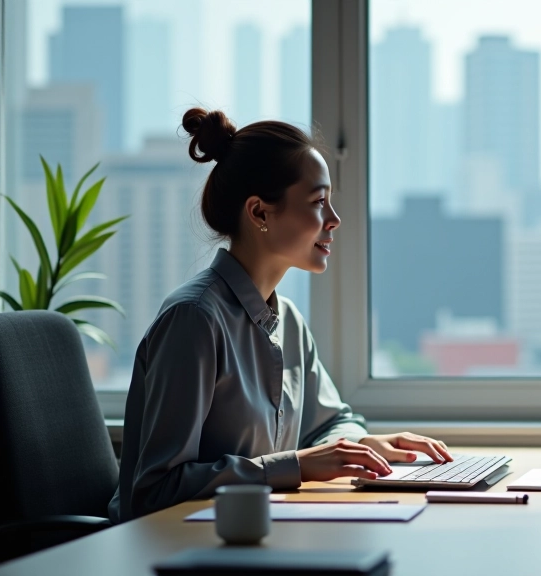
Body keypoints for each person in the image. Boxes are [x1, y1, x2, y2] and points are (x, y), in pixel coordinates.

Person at [109, 109, 453, 523]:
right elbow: (155, 492)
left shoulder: (287, 319)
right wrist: (296, 464)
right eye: (318, 202)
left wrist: (362, 445)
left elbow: (333, 422)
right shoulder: (194, 320)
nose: (335, 220)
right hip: (173, 552)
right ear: (259, 213)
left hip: (251, 541)